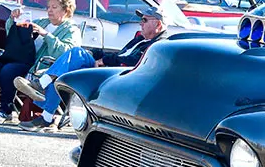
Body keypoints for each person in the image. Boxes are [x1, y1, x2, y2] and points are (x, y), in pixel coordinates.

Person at [13, 7, 169, 131]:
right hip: (107, 69)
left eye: (144, 20)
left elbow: (133, 61)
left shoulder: (157, 45)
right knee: (64, 70)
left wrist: (104, 60)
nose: (140, 23)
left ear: (158, 24)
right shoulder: (140, 39)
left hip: (115, 76)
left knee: (75, 54)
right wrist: (94, 54)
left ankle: (42, 87)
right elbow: (119, 54)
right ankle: (46, 116)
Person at [0, 0, 81, 124]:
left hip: (40, 67)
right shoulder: (42, 22)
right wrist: (13, 19)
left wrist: (46, 35)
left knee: (8, 70)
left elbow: (67, 53)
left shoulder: (71, 30)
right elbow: (13, 34)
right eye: (48, 7)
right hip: (21, 58)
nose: (49, 10)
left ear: (66, 10)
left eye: (54, 7)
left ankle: (6, 111)